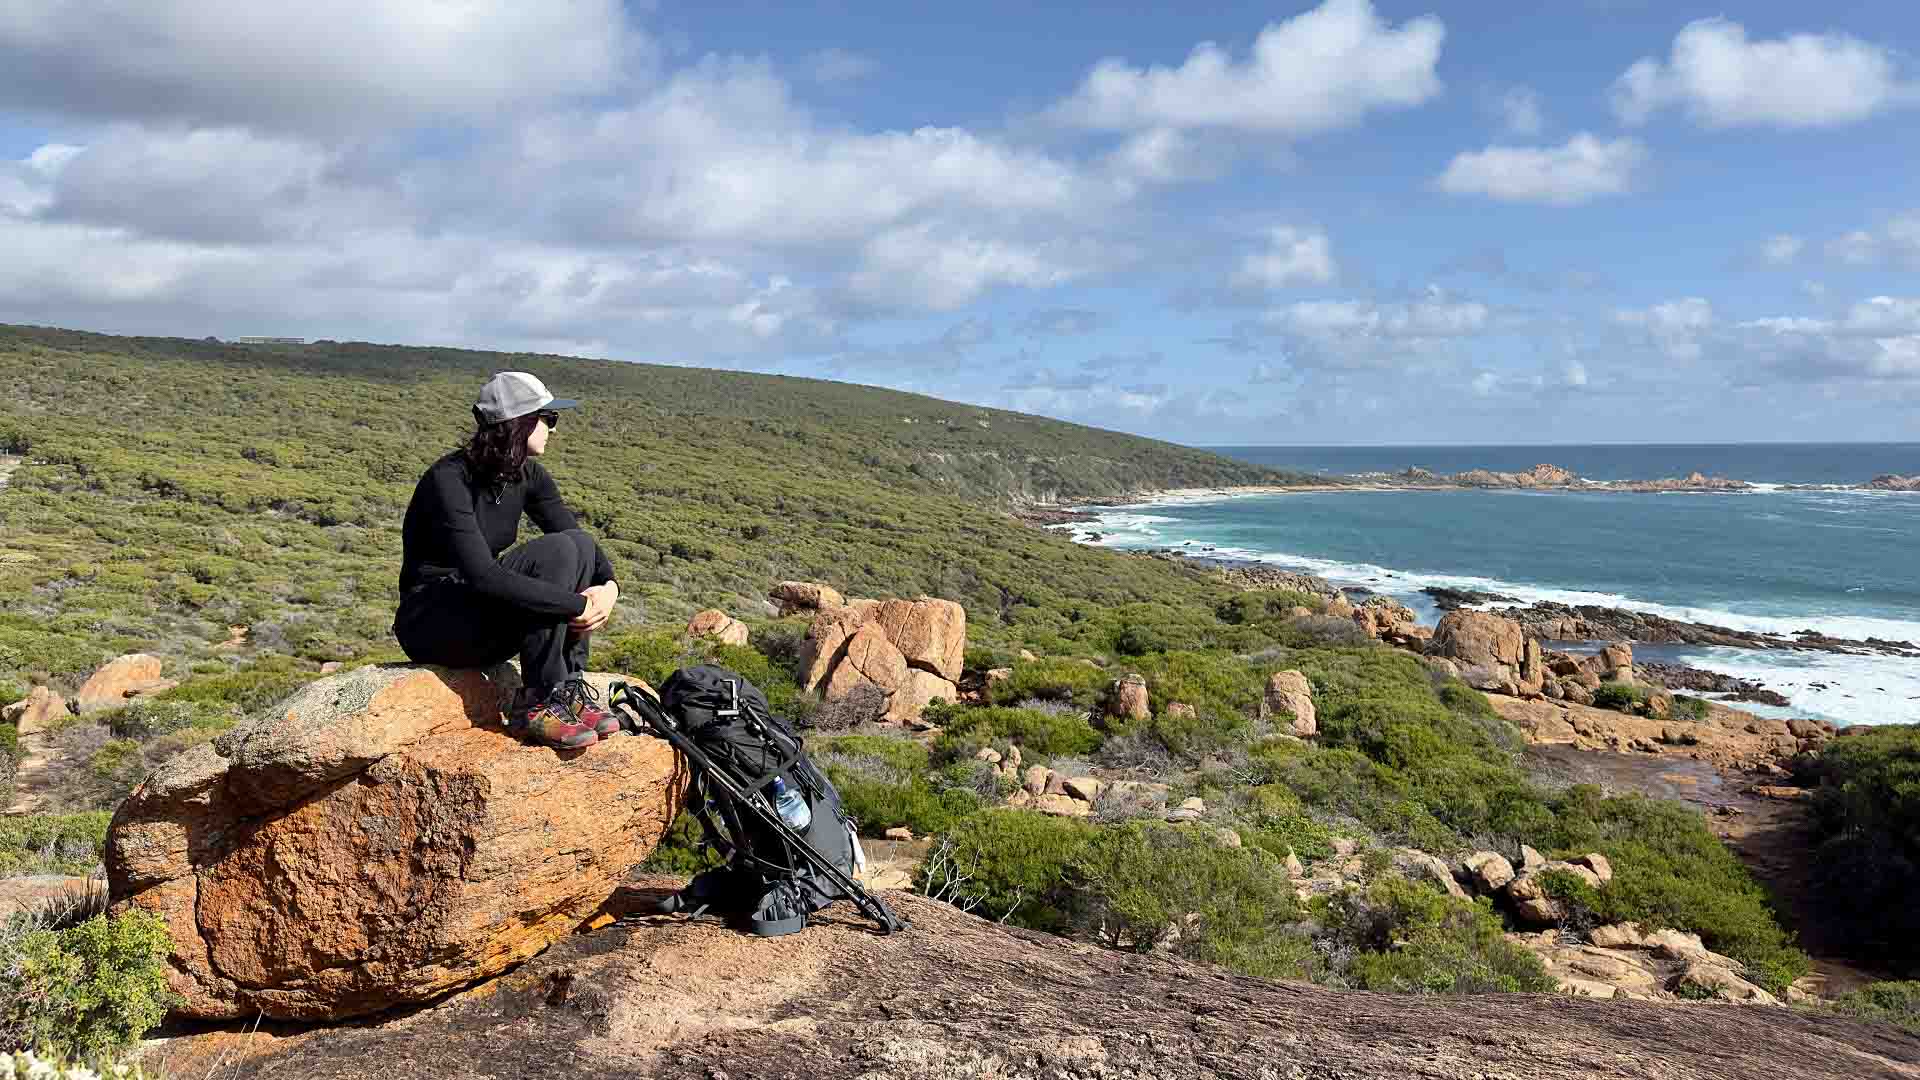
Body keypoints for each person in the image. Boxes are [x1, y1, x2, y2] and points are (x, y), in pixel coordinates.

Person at [393, 371, 620, 749]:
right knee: (557, 551)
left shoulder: (527, 475)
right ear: (520, 423)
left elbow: (585, 544)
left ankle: (568, 689)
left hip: (483, 618)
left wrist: (609, 589)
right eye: (548, 418)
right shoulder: (448, 480)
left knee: (574, 543)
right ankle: (537, 702)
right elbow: (483, 576)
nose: (552, 428)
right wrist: (577, 605)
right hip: (434, 624)